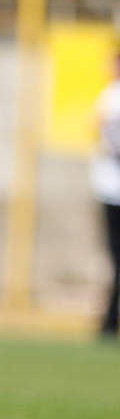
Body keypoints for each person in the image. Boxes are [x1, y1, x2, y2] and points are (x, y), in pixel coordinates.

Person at [93, 60, 120, 339]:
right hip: (111, 188)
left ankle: (109, 322)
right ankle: (109, 320)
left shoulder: (113, 96)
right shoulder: (109, 94)